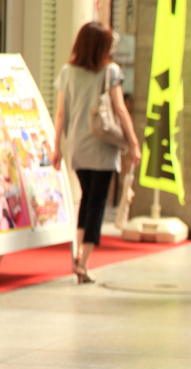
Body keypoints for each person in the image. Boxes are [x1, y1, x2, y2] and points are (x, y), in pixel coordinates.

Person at [52, 22, 141, 283]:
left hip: (77, 145)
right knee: (97, 202)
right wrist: (133, 143)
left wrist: (56, 147)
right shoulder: (110, 71)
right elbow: (120, 109)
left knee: (86, 198)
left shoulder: (67, 72)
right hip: (102, 145)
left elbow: (61, 113)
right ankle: (83, 262)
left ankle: (79, 253)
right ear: (102, 47)